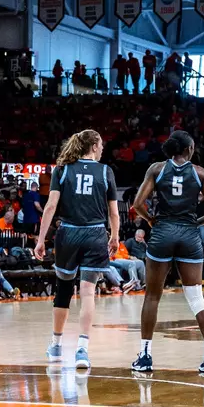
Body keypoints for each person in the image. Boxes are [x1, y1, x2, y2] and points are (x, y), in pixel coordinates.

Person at [130, 130, 204, 374]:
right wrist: (196, 223)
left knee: (152, 296)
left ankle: (145, 356)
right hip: (189, 236)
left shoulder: (157, 169)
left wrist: (151, 220)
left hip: (162, 233)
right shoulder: (200, 173)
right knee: (195, 297)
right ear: (189, 148)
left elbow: (137, 204)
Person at [35, 129, 120, 369]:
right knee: (88, 292)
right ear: (93, 146)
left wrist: (41, 239)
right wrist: (114, 236)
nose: (103, 148)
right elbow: (114, 211)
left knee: (63, 290)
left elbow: (51, 206)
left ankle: (56, 345)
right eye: (101, 144)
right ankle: (82, 350)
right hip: (95, 234)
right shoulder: (105, 171)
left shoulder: (61, 170)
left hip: (68, 233)